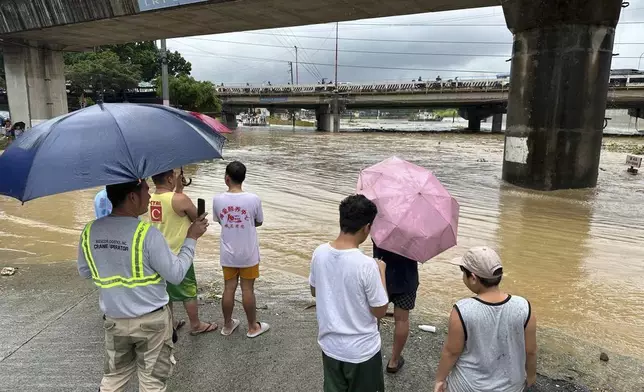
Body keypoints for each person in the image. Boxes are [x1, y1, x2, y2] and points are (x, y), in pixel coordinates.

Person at [77, 180, 209, 391]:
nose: (149, 195)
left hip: (114, 321)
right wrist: (191, 238)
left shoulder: (89, 230)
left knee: (114, 379)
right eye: (146, 190)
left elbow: (85, 271)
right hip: (151, 323)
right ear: (132, 196)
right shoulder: (147, 234)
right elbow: (175, 275)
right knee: (152, 383)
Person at [309, 194, 389, 392]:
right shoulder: (367, 265)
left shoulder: (319, 252)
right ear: (366, 228)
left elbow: (314, 290)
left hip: (331, 346)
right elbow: (380, 310)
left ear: (341, 220)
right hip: (361, 351)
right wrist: (382, 273)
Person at [434, 246, 537, 392]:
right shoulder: (524, 306)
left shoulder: (462, 310)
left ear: (473, 278)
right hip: (511, 387)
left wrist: (440, 379)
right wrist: (531, 377)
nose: (463, 277)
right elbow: (531, 351)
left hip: (467, 387)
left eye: (464, 272)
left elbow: (451, 352)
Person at [150, 169, 217, 335]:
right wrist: (180, 191)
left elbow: (170, 211)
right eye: (173, 175)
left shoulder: (150, 198)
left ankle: (170, 323)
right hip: (179, 253)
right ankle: (195, 324)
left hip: (157, 254)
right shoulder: (180, 199)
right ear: (169, 178)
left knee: (165, 291)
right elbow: (197, 218)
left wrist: (178, 189)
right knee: (188, 290)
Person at [212, 161, 269, 338]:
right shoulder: (253, 199)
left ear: (226, 178)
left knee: (228, 288)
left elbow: (220, 220)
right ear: (243, 178)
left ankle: (227, 325)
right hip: (248, 253)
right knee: (247, 290)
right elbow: (258, 221)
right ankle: (252, 326)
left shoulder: (218, 199)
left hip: (228, 253)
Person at [373, 242, 419, 373]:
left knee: (375, 316)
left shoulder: (380, 223)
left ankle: (369, 353)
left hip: (381, 275)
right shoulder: (417, 228)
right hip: (406, 278)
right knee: (402, 319)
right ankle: (394, 361)